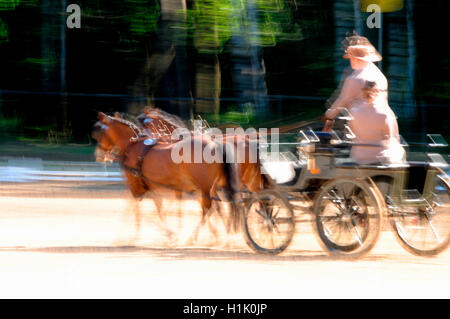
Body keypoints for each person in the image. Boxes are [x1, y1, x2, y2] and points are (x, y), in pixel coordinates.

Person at [323, 32, 405, 164]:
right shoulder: (380, 76)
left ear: (357, 59)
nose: (350, 61)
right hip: (383, 123)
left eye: (351, 58)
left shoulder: (354, 79)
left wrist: (329, 114)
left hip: (361, 126)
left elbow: (342, 101)